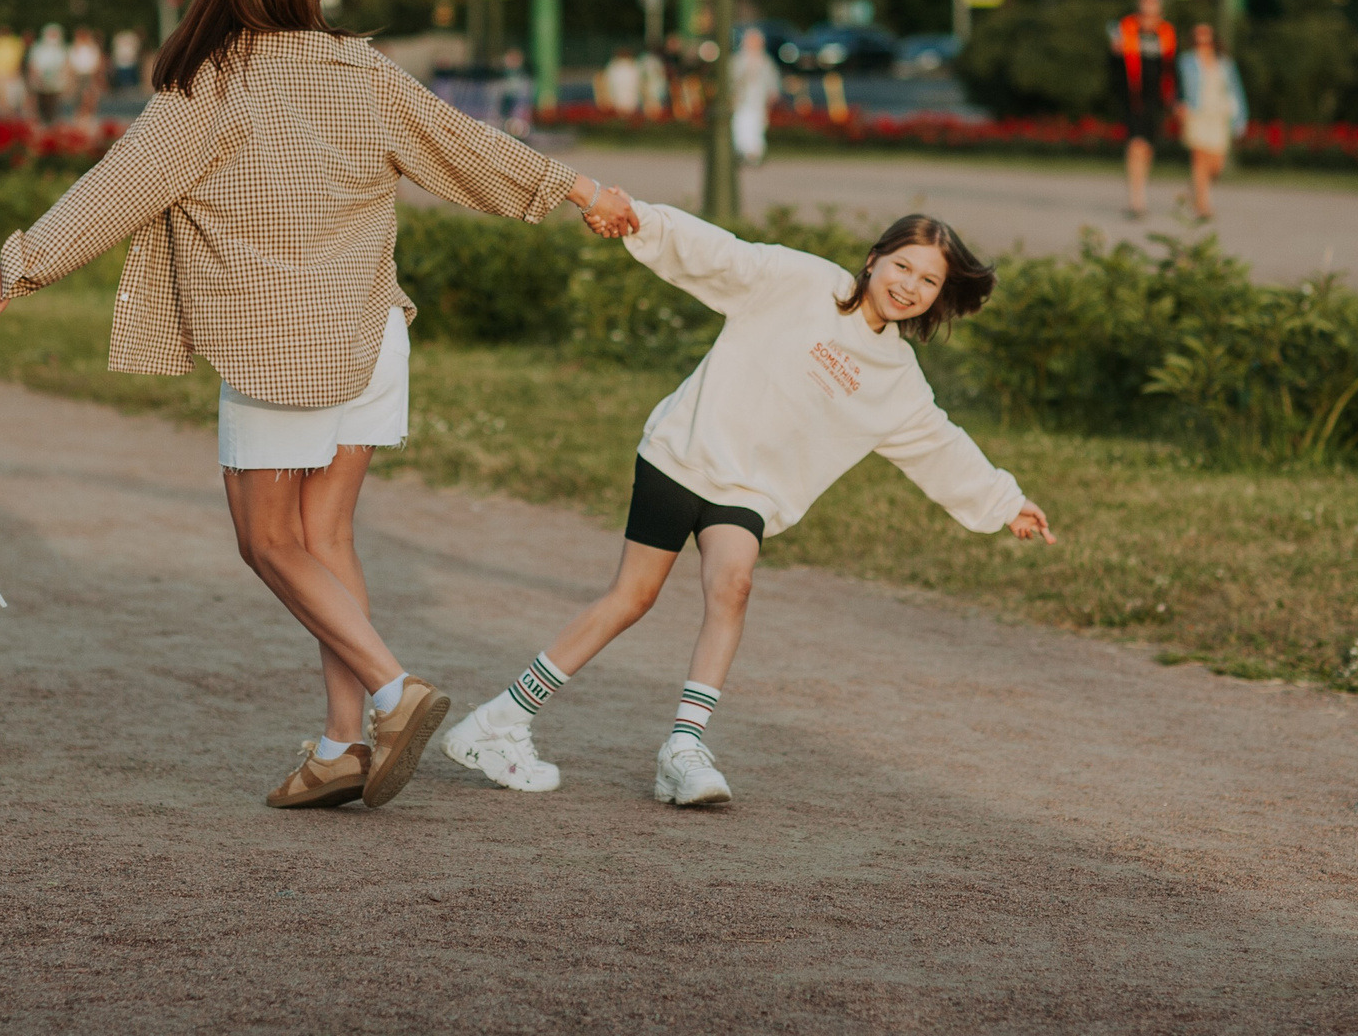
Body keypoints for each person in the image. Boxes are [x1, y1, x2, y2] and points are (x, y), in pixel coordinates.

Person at [0, 0, 641, 812]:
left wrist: (9, 277)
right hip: (372, 336)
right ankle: (338, 745)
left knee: (267, 541)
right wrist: (585, 192)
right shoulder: (364, 73)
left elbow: (110, 194)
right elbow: (472, 149)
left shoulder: (209, 90)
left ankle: (394, 696)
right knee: (324, 540)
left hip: (280, 353)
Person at [441, 206, 1054, 807]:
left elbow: (937, 443)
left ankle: (683, 750)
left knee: (733, 585)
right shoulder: (805, 281)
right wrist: (642, 220)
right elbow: (725, 255)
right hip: (684, 451)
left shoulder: (897, 377)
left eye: (929, 281)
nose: (909, 286)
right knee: (634, 597)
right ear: (873, 260)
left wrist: (1005, 502)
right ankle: (499, 720)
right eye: (902, 266)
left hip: (748, 491)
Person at [1108, 0, 1176, 219]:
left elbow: (1171, 69)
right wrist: (1114, 53)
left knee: (1146, 148)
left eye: (1152, 12)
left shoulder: (1166, 34)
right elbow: (1114, 70)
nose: (1148, 16)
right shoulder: (1125, 30)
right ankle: (1136, 199)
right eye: (1144, 11)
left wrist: (1173, 99)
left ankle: (1140, 189)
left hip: (1156, 101)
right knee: (1136, 145)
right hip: (1133, 98)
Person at [1176, 21, 1248, 222]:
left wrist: (1241, 117)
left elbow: (1236, 90)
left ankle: (1197, 190)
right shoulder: (1186, 61)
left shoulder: (1225, 63)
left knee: (1216, 164)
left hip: (1219, 114)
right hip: (1196, 112)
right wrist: (1178, 105)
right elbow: (1176, 86)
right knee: (1199, 157)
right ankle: (1203, 203)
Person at [729, 26, 780, 165]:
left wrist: (772, 94)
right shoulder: (738, 60)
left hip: (758, 99)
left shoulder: (765, 61)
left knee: (757, 125)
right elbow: (732, 79)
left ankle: (754, 153)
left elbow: (772, 80)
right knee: (740, 124)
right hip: (742, 99)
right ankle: (742, 151)